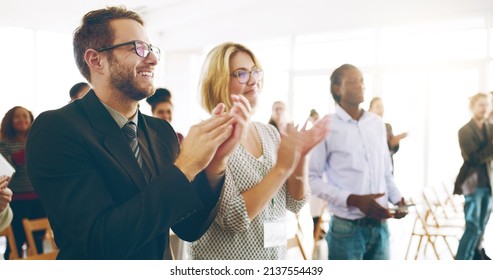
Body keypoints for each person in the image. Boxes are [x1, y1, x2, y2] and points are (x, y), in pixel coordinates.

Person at [26, 6, 243, 260]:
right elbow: (101, 242)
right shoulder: (57, 129)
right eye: (138, 48)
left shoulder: (160, 131)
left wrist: (216, 163)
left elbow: (189, 227)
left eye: (152, 49)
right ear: (96, 60)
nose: (152, 59)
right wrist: (185, 166)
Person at [188, 42, 330, 260]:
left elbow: (295, 203)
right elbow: (234, 218)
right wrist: (282, 168)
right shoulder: (207, 137)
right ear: (218, 81)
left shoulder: (270, 134)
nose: (253, 80)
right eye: (241, 74)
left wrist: (301, 157)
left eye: (255, 71)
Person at [308, 64, 407, 260]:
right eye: (353, 81)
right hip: (346, 232)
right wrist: (352, 199)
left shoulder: (377, 124)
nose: (361, 86)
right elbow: (312, 180)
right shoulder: (325, 127)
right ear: (337, 89)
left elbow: (385, 172)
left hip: (380, 228)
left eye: (362, 80)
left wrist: (398, 199)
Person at [0, 106, 47, 259]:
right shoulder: (4, 143)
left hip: (38, 197)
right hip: (16, 200)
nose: (22, 120)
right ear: (9, 121)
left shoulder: (38, 139)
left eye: (25, 116)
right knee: (15, 242)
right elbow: (6, 173)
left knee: (38, 240)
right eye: (17, 116)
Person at [454, 92, 493, 260]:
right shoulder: (464, 131)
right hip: (472, 183)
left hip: (488, 184)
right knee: (472, 226)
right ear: (472, 107)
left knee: (482, 227)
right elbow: (473, 157)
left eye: (486, 104)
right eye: (480, 105)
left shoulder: (490, 128)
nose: (484, 108)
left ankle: (474, 259)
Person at [368, 97, 407, 167]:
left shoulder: (387, 127)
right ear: (370, 110)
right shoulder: (366, 128)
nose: (381, 109)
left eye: (382, 106)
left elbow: (392, 149)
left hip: (387, 167)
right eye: (377, 107)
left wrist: (396, 141)